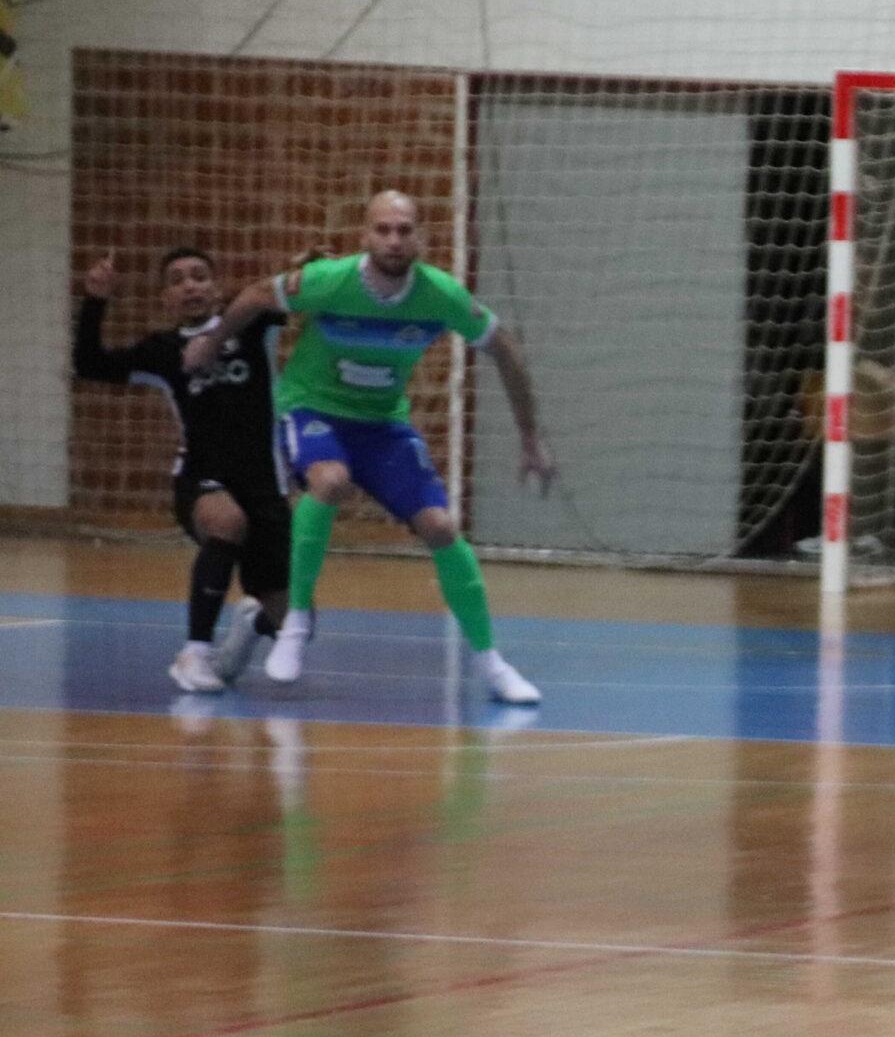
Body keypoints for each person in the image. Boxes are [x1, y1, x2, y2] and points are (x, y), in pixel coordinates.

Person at [186, 191, 553, 704]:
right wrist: (211, 342)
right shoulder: (329, 280)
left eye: (404, 230)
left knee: (441, 527)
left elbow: (505, 348)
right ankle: (295, 622)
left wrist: (530, 438)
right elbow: (255, 296)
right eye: (383, 229)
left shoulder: (440, 295)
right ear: (364, 236)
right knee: (330, 480)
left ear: (420, 237)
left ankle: (491, 662)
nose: (394, 240)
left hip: (382, 425)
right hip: (313, 411)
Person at [73, 248, 292, 692]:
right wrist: (96, 300)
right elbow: (89, 363)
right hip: (201, 478)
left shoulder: (251, 326)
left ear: (216, 287)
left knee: (294, 623)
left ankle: (246, 631)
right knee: (227, 522)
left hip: (264, 485)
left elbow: (288, 293)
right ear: (165, 298)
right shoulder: (162, 351)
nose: (190, 285)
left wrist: (311, 264)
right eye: (177, 280)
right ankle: (194, 653)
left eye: (199, 276)